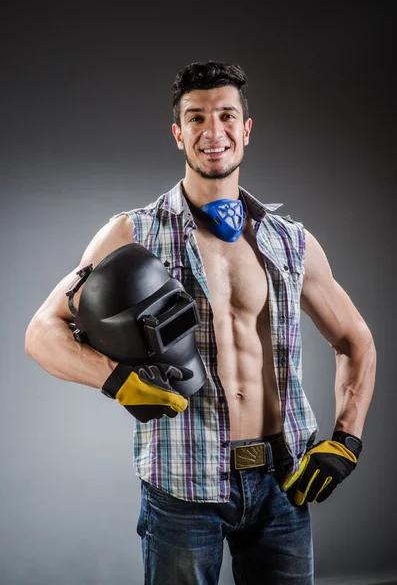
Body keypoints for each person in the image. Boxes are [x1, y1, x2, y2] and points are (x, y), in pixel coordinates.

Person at [25, 60, 377, 585]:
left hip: (283, 482)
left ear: (247, 129)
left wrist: (346, 440)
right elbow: (42, 332)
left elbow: (356, 342)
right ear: (178, 132)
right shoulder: (134, 232)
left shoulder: (290, 241)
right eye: (196, 119)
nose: (214, 132)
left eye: (227, 116)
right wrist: (116, 381)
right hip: (181, 484)